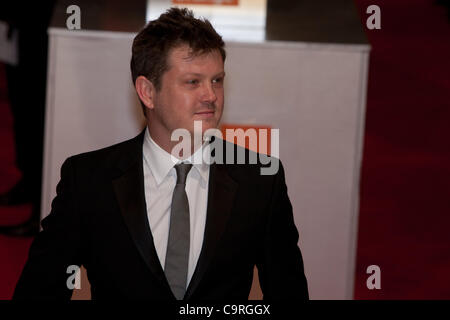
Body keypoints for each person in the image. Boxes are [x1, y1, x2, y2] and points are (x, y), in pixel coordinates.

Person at [13, 7, 308, 300]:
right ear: (147, 91)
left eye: (216, 80)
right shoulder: (89, 182)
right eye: (193, 82)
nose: (211, 95)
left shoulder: (259, 180)